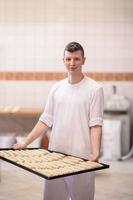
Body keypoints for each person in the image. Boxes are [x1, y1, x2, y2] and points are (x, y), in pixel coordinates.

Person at [13, 42, 104, 200]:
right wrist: (25, 142)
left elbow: (95, 124)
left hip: (81, 157)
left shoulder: (95, 89)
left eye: (76, 59)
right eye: (68, 59)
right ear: (63, 61)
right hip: (55, 155)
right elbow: (45, 120)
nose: (72, 63)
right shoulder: (56, 88)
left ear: (84, 60)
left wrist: (95, 152)